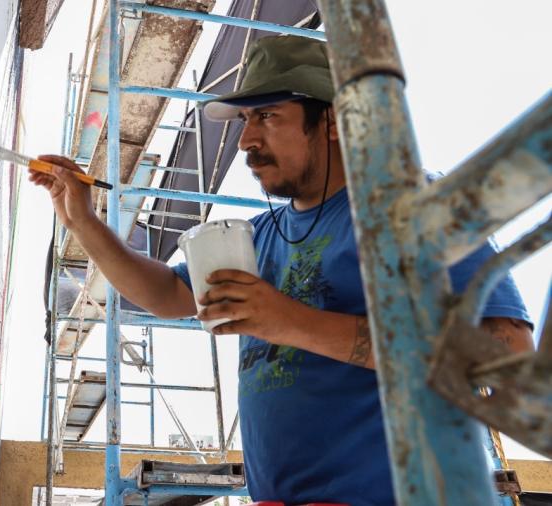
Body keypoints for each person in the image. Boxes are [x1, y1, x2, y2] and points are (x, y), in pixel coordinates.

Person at [29, 34, 534, 505]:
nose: (245, 139)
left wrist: (289, 321)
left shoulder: (410, 207)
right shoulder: (261, 234)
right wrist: (83, 219)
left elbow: (505, 355)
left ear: (334, 121)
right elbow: (168, 294)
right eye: (244, 120)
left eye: (267, 115)